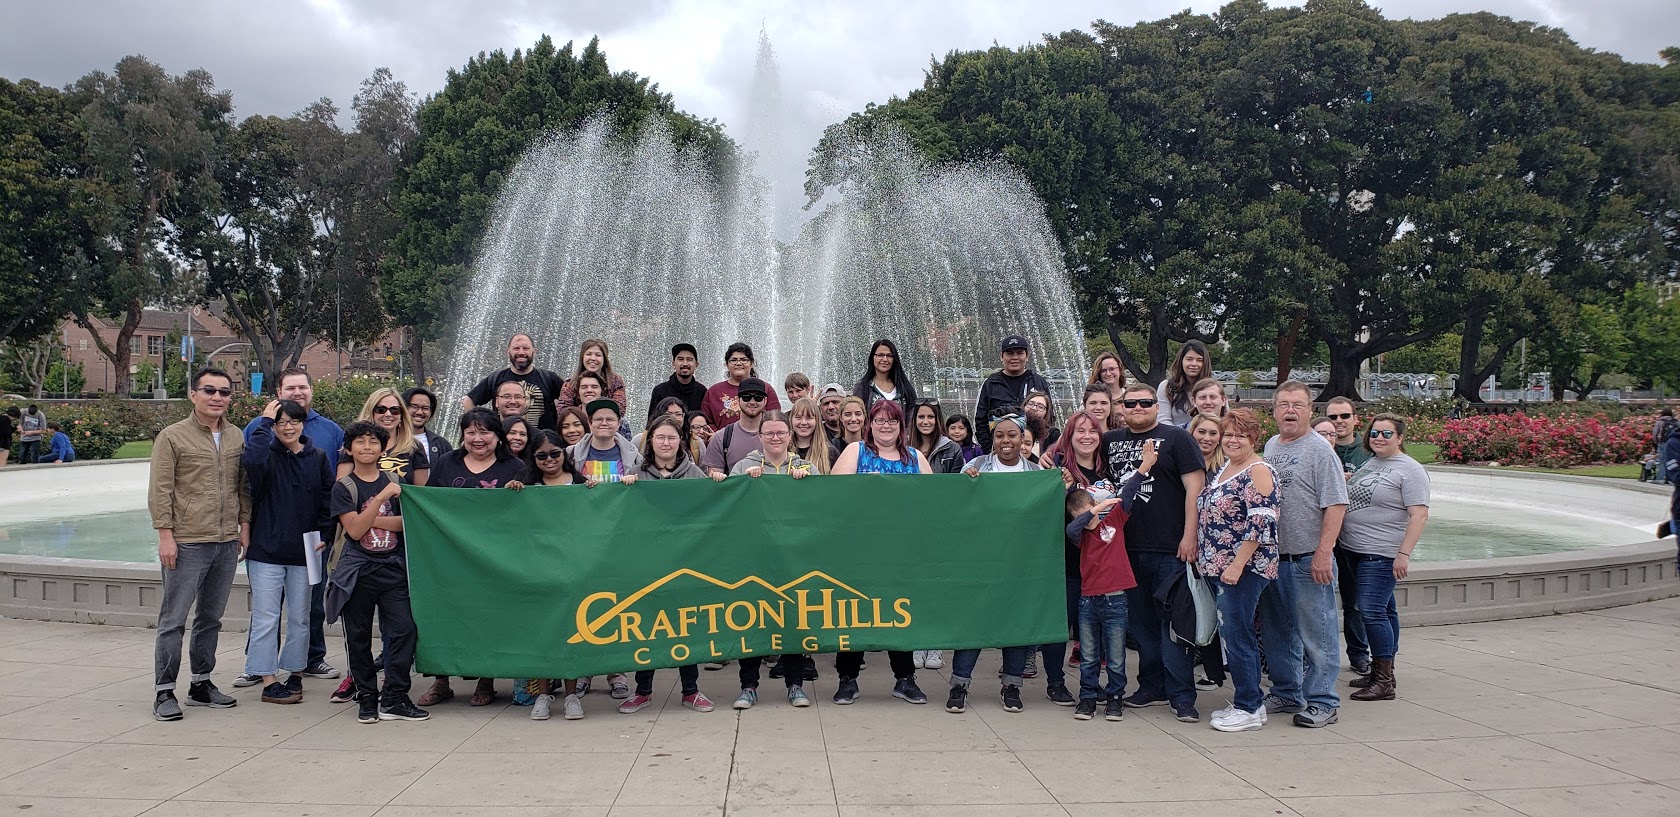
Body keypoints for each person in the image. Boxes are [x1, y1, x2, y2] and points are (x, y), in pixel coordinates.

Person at [148, 367, 250, 722]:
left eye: (224, 392)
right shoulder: (172, 436)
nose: (217, 397)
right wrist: (165, 535)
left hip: (225, 541)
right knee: (173, 619)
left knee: (211, 618)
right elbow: (160, 489)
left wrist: (244, 526)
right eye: (209, 390)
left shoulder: (236, 436)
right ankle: (164, 691)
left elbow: (242, 486)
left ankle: (201, 684)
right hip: (187, 541)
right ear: (193, 395)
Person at [1101, 382, 1206, 723]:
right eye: (1130, 403)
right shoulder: (1109, 441)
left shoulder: (1177, 438)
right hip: (1126, 547)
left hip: (1170, 547)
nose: (1137, 408)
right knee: (1142, 625)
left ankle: (1182, 695)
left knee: (1174, 626)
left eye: (1145, 403)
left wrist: (1190, 536)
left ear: (1156, 406)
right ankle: (1151, 685)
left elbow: (1195, 489)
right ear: (1121, 408)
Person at [420, 409, 530, 708]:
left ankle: (486, 679)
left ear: (498, 436)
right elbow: (427, 503)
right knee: (446, 615)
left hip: (494, 559)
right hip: (450, 556)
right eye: (470, 432)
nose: (477, 439)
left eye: (484, 432)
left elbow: (525, 512)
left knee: (488, 616)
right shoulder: (447, 463)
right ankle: (441, 680)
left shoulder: (514, 466)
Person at [243, 367, 344, 686]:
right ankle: (262, 672)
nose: (288, 427)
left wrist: (325, 535)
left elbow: (328, 497)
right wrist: (265, 421)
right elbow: (251, 464)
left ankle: (299, 668)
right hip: (267, 548)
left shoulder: (318, 453)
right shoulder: (265, 448)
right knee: (266, 616)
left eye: (294, 421)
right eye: (282, 422)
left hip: (308, 549)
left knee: (303, 615)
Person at [1259, 380, 1350, 728]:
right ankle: (1286, 691)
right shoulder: (1271, 446)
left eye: (1297, 405)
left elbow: (1336, 505)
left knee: (1317, 634)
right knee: (1278, 632)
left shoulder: (1320, 450)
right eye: (1283, 405)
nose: (1290, 411)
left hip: (1307, 559)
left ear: (1310, 410)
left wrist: (1323, 553)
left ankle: (1323, 700)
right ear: (1274, 411)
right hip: (1274, 559)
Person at [327, 421, 428, 724]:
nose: (367, 447)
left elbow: (406, 523)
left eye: (373, 442)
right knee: (358, 637)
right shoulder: (344, 487)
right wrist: (381, 499)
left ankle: (394, 697)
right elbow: (354, 531)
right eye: (360, 442)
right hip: (357, 572)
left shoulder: (396, 480)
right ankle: (367, 697)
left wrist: (367, 518)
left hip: (392, 567)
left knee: (404, 630)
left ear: (383, 449)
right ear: (349, 449)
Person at [616, 415, 717, 714]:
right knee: (648, 627)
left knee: (687, 627)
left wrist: (718, 484)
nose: (665, 443)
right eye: (660, 437)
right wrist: (624, 487)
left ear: (680, 441)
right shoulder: (636, 473)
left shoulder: (695, 474)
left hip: (686, 564)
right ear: (650, 441)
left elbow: (710, 510)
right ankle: (643, 691)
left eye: (671, 437)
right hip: (648, 565)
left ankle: (691, 690)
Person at [832, 399, 930, 705]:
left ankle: (905, 678)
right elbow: (834, 492)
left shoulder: (915, 457)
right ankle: (847, 678)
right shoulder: (856, 451)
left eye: (892, 421)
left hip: (902, 550)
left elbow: (935, 498)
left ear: (901, 426)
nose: (886, 426)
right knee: (855, 612)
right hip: (859, 549)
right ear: (869, 424)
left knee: (900, 612)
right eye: (879, 420)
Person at [947, 413, 1045, 714]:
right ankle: (959, 684)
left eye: (1012, 435)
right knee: (973, 622)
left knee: (1015, 622)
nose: (1006, 441)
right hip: (981, 559)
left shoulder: (1036, 472)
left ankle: (1012, 685)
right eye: (999, 435)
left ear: (1023, 438)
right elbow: (955, 508)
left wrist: (1062, 483)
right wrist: (964, 485)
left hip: (1020, 562)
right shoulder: (976, 466)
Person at [725, 411, 818, 709]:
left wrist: (807, 485)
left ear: (790, 435)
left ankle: (795, 685)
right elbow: (728, 507)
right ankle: (748, 686)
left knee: (792, 620)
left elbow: (820, 509)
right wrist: (743, 484)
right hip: (753, 558)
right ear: (760, 436)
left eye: (781, 433)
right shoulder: (743, 466)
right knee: (751, 621)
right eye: (769, 433)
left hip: (794, 559)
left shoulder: (807, 467)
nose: (775, 438)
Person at [1196, 409, 1280, 733]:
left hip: (1243, 570)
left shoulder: (1258, 470)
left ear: (1253, 438)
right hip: (1222, 567)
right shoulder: (1227, 468)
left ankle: (1248, 706)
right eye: (1228, 434)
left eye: (1240, 435)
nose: (1232, 440)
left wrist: (1237, 565)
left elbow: (1262, 522)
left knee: (1238, 635)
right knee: (1234, 634)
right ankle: (1251, 703)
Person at [1340, 414, 1430, 702]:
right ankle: (1383, 670)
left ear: (1400, 438)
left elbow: (1419, 515)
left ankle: (1383, 681)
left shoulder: (1411, 470)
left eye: (1387, 434)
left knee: (1371, 612)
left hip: (1381, 553)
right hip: (1354, 549)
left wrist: (1403, 554)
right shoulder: (1373, 462)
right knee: (1386, 610)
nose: (1379, 438)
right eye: (1375, 433)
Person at [1066, 440, 1151, 722]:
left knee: (1115, 656)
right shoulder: (1079, 533)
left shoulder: (1114, 518)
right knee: (1089, 655)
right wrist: (1091, 513)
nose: (1086, 520)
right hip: (1088, 600)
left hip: (1115, 599)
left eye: (1088, 511)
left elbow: (1129, 492)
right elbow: (1073, 528)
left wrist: (1144, 467)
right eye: (1080, 516)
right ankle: (1087, 698)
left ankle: (1115, 698)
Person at [514, 429, 593, 721]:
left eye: (555, 453)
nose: (549, 459)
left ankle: (571, 695)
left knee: (571, 633)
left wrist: (596, 492)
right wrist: (510, 492)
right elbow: (510, 519)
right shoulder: (526, 485)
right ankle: (543, 695)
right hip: (538, 570)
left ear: (564, 453)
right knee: (542, 634)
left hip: (573, 570)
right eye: (542, 455)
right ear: (533, 458)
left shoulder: (580, 483)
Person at [1325, 396, 1373, 677]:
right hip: (1322, 538)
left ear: (1355, 419)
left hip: (1356, 537)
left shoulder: (1367, 452)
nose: (1339, 422)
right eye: (1333, 417)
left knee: (1355, 601)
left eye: (1344, 416)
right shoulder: (1319, 447)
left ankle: (1359, 654)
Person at [1185, 413, 1230, 692]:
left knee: (1217, 608)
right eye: (1201, 432)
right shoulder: (1184, 463)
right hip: (1190, 545)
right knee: (1198, 607)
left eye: (1213, 433)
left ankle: (1217, 669)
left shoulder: (1225, 468)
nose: (1207, 438)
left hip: (1218, 549)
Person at [462, 333, 567, 431]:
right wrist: (479, 429)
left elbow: (570, 401)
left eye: (526, 348)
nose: (521, 352)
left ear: (534, 351)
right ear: (508, 351)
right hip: (505, 441)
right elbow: (468, 400)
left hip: (543, 442)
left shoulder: (548, 378)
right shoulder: (495, 378)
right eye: (516, 348)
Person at [973, 335, 1052, 452]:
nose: (1015, 358)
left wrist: (1041, 448)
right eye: (1009, 353)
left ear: (1027, 356)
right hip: (1000, 450)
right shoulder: (991, 383)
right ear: (1001, 356)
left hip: (1032, 450)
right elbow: (981, 420)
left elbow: (1049, 417)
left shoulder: (1038, 382)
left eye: (1020, 353)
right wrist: (990, 449)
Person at [702, 377, 772, 478]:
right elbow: (714, 482)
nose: (752, 402)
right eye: (746, 397)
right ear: (738, 400)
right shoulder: (721, 438)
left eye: (758, 397)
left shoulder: (778, 436)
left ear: (765, 401)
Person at [703, 343, 782, 427]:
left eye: (744, 360)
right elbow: (705, 421)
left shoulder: (766, 389)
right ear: (726, 365)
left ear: (752, 364)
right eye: (733, 360)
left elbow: (775, 418)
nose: (738, 363)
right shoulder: (714, 391)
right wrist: (719, 434)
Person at [571, 400, 642, 484]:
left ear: (618, 424)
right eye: (598, 419)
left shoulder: (635, 457)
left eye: (610, 419)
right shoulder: (571, 454)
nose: (604, 423)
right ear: (590, 423)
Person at [555, 339, 629, 417]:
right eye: (589, 354)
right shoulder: (570, 383)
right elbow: (563, 411)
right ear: (582, 357)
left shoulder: (615, 381)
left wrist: (598, 419)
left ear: (604, 358)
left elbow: (619, 409)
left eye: (598, 355)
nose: (593, 358)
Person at [852, 339, 918, 417]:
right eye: (880, 355)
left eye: (889, 356)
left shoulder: (904, 387)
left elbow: (912, 416)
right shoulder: (862, 388)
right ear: (872, 358)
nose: (885, 359)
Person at [1155, 341, 1209, 427]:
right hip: (1175, 434)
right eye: (1189, 359)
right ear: (1181, 361)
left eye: (1199, 360)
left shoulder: (1214, 388)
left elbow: (1224, 418)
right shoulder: (1167, 387)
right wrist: (1184, 433)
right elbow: (1163, 420)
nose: (1194, 364)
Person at [648, 343, 707, 418]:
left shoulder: (702, 391)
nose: (685, 364)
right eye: (680, 359)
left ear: (696, 365)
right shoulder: (660, 391)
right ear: (673, 364)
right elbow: (652, 421)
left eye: (689, 359)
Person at [909, 399, 964, 476]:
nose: (925, 422)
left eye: (930, 417)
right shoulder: (903, 448)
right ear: (915, 419)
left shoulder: (953, 449)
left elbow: (956, 481)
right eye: (921, 417)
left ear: (938, 419)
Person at [404, 387, 453, 466]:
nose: (419, 412)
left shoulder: (442, 445)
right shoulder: (389, 440)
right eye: (414, 406)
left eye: (425, 408)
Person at [789, 397, 837, 473]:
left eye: (809, 418)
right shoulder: (783, 450)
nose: (803, 422)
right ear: (791, 420)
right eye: (798, 418)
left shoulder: (830, 452)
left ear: (817, 420)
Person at [1023, 390, 1060, 457]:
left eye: (1040, 407)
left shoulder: (1052, 434)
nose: (1034, 408)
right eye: (1030, 404)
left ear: (1046, 412)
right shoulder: (1014, 428)